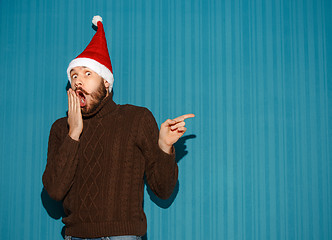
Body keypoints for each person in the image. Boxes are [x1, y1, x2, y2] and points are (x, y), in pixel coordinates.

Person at [42, 15, 194, 240]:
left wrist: (164, 147)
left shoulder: (136, 118)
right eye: (74, 75)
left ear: (106, 82)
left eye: (87, 73)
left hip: (123, 236)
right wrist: (74, 133)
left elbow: (163, 189)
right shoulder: (60, 129)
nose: (78, 81)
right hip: (76, 236)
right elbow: (54, 191)